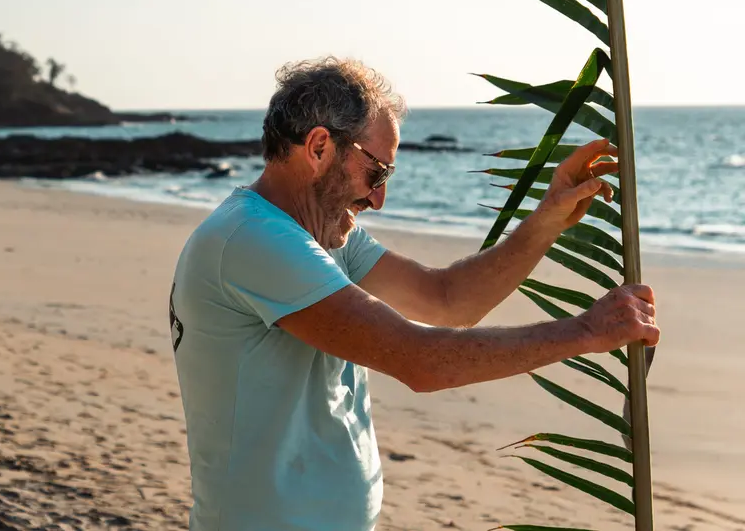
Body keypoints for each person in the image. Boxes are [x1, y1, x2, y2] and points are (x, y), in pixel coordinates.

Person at [168, 57, 659, 531]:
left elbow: (449, 300)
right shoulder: (255, 240)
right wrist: (587, 332)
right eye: (376, 172)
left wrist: (549, 215)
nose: (378, 198)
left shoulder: (323, 235)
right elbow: (422, 360)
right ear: (319, 148)